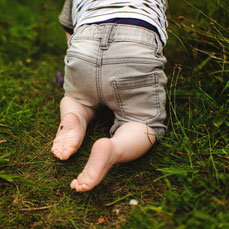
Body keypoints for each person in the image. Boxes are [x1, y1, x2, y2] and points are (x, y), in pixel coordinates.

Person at [51, 0, 168, 192]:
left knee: (75, 99)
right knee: (142, 122)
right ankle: (114, 148)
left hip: (85, 43)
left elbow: (68, 28)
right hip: (136, 41)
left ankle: (75, 118)